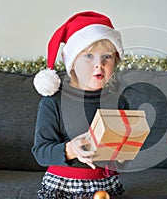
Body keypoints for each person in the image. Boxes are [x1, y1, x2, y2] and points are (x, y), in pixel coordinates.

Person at [32, 11, 128, 198]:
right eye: (89, 56)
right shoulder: (53, 101)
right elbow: (40, 151)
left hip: (105, 186)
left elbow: (121, 156)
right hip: (63, 186)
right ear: (72, 63)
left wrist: (124, 154)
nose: (99, 64)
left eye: (107, 57)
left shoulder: (119, 101)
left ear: (115, 61)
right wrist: (70, 149)